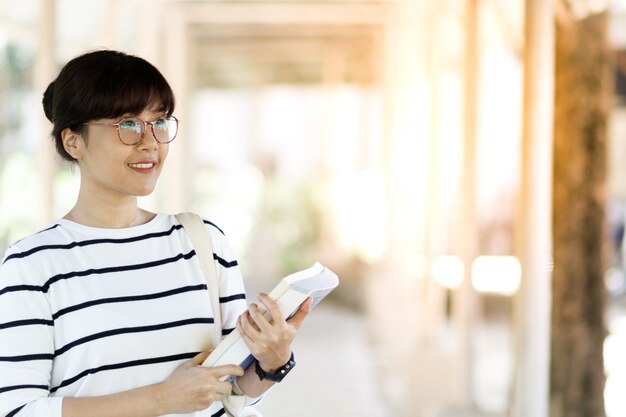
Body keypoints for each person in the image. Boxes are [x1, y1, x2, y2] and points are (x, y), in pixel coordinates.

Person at [0, 49, 312, 417]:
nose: (150, 142)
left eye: (159, 122)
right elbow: (17, 410)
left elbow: (231, 391)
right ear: (73, 141)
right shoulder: (32, 266)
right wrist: (160, 399)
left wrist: (274, 361)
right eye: (128, 125)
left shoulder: (203, 243)